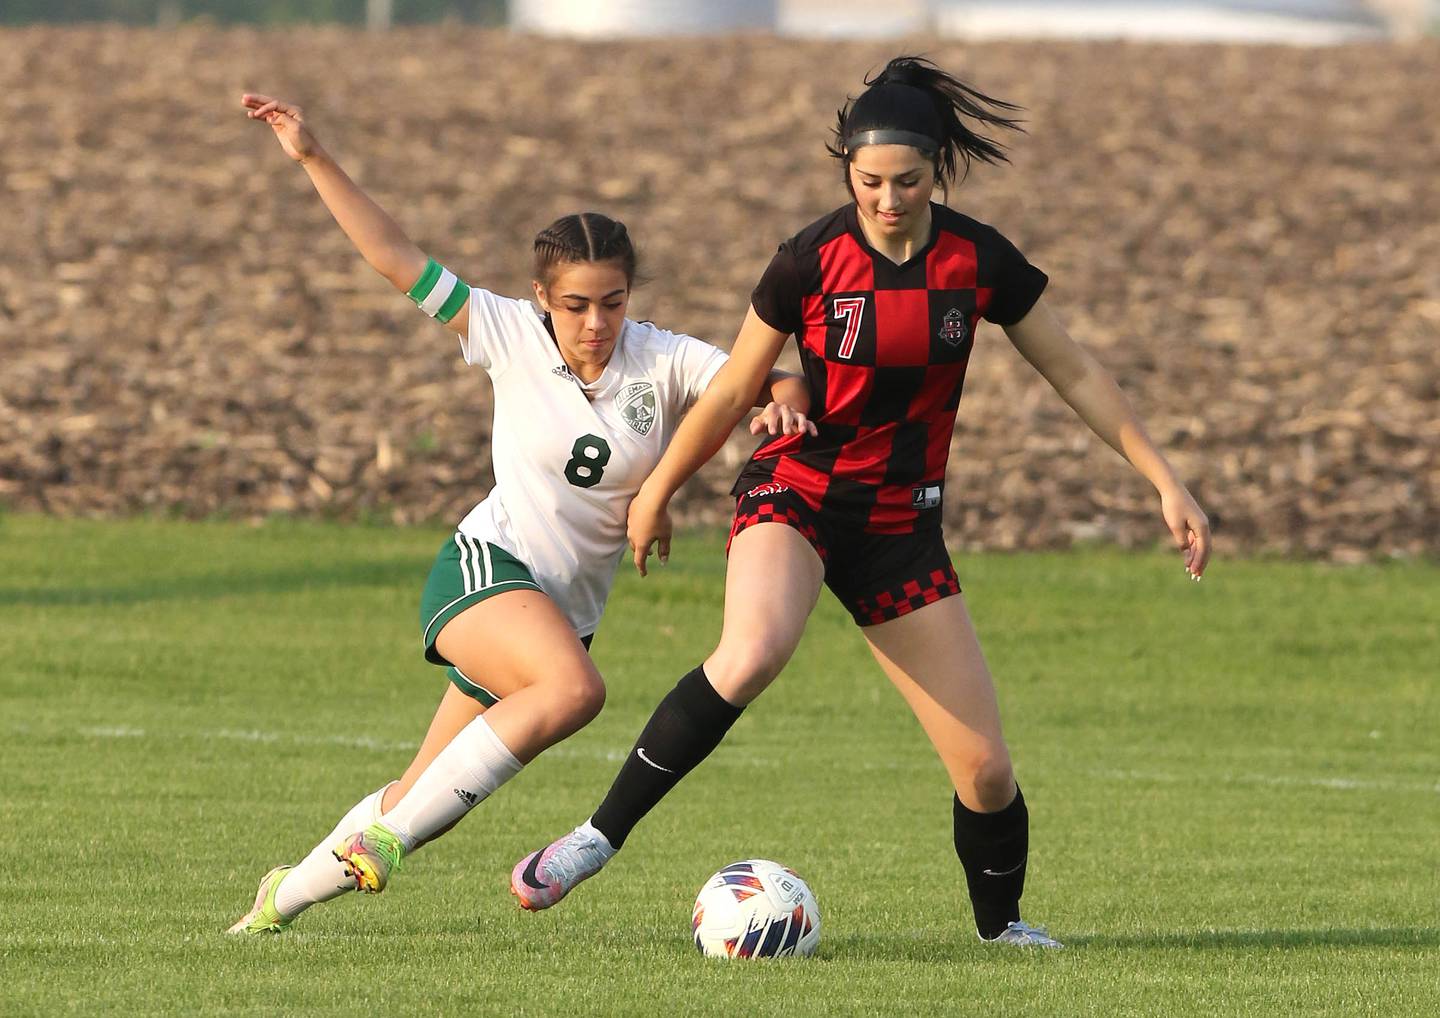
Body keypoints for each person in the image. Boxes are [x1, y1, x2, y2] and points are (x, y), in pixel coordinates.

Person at [510, 57, 1212, 949]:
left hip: (900, 529)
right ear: (848, 169)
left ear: (937, 172)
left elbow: (1074, 369)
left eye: (907, 182)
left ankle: (1003, 932)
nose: (887, 198)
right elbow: (732, 392)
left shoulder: (976, 260)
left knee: (987, 771)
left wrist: (1165, 479)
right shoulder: (809, 259)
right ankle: (595, 838)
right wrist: (657, 492)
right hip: (799, 493)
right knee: (754, 650)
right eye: (869, 181)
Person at [226, 93, 814, 934]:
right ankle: (385, 840)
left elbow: (771, 374)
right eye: (575, 304)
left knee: (421, 794)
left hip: (556, 618)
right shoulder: (504, 330)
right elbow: (396, 259)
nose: (596, 321)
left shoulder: (664, 358)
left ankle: (275, 903)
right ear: (543, 297)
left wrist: (782, 404)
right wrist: (313, 156)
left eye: (611, 301)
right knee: (574, 692)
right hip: (487, 572)